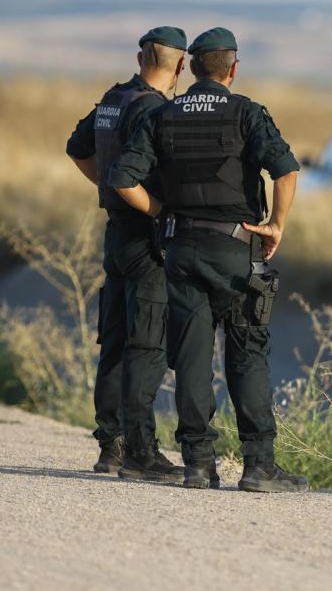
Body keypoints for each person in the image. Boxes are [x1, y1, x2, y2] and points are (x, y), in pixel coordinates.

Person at [109, 27, 308, 492]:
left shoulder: (164, 113)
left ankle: (199, 463)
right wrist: (276, 224)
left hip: (180, 250)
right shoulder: (247, 113)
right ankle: (259, 465)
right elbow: (286, 170)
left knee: (193, 357)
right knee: (247, 355)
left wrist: (162, 215)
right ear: (233, 69)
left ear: (191, 67)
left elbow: (123, 178)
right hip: (237, 249)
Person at [65, 26, 187, 482]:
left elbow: (76, 150)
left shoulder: (114, 100)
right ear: (180, 66)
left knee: (113, 341)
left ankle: (110, 447)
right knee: (146, 343)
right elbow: (124, 178)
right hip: (145, 237)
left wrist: (110, 187)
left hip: (115, 234)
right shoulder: (156, 110)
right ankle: (140, 450)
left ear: (141, 59)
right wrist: (155, 208)